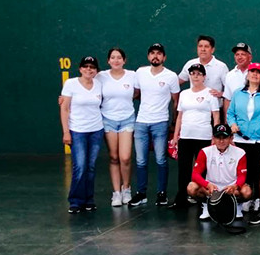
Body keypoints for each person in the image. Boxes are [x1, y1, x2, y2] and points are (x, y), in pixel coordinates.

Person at [227, 63, 260, 219]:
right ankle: (247, 198)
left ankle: (259, 199)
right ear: (247, 74)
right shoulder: (238, 93)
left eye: (258, 72)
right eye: (252, 72)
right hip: (242, 138)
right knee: (246, 170)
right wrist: (232, 124)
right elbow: (231, 113)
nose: (255, 74)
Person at [129, 43, 180, 207]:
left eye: (159, 53)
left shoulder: (171, 76)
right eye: (152, 53)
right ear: (148, 56)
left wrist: (173, 122)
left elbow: (176, 101)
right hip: (141, 122)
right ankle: (141, 193)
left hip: (161, 122)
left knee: (160, 160)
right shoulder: (140, 72)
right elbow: (135, 94)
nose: (155, 56)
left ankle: (161, 193)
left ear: (164, 57)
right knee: (141, 161)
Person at [169, 63, 220, 208]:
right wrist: (176, 136)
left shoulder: (210, 93)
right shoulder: (184, 94)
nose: (195, 76)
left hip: (203, 137)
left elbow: (216, 116)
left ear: (204, 77)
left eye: (198, 74)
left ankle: (201, 199)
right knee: (183, 168)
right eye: (192, 73)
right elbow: (180, 116)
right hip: (185, 137)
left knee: (202, 169)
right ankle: (181, 199)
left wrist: (214, 137)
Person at [60, 56, 104, 213]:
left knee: (90, 166)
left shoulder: (99, 84)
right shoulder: (70, 84)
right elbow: (64, 108)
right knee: (80, 166)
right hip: (77, 131)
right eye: (85, 66)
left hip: (96, 130)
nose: (89, 69)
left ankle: (88, 200)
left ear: (96, 70)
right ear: (80, 69)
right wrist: (66, 132)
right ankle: (76, 201)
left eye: (92, 67)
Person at [96, 47, 136, 206]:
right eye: (113, 57)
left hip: (127, 119)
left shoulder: (132, 75)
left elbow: (141, 91)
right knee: (113, 157)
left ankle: (126, 189)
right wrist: (65, 99)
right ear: (108, 61)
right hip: (108, 120)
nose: (116, 60)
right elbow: (85, 86)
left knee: (125, 158)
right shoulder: (100, 76)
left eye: (119, 57)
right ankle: (116, 193)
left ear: (124, 60)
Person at [187, 124, 252, 220]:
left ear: (231, 138)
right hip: (211, 188)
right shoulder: (205, 151)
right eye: (218, 137)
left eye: (225, 138)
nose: (221, 141)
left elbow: (242, 176)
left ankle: (237, 206)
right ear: (213, 138)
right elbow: (195, 174)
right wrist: (207, 184)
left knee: (247, 191)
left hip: (231, 188)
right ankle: (206, 205)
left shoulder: (240, 153)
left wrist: (235, 186)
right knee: (191, 187)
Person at [178, 35, 229, 108]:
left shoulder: (221, 66)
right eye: (200, 46)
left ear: (212, 50)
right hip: (194, 109)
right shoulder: (190, 64)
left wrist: (221, 94)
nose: (203, 49)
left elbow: (230, 89)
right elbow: (177, 82)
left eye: (206, 46)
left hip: (214, 111)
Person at [223, 42, 253, 123]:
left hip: (255, 121)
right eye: (237, 54)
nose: (239, 57)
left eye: (243, 54)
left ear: (250, 57)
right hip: (235, 122)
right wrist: (227, 122)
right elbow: (227, 100)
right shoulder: (229, 75)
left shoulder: (258, 73)